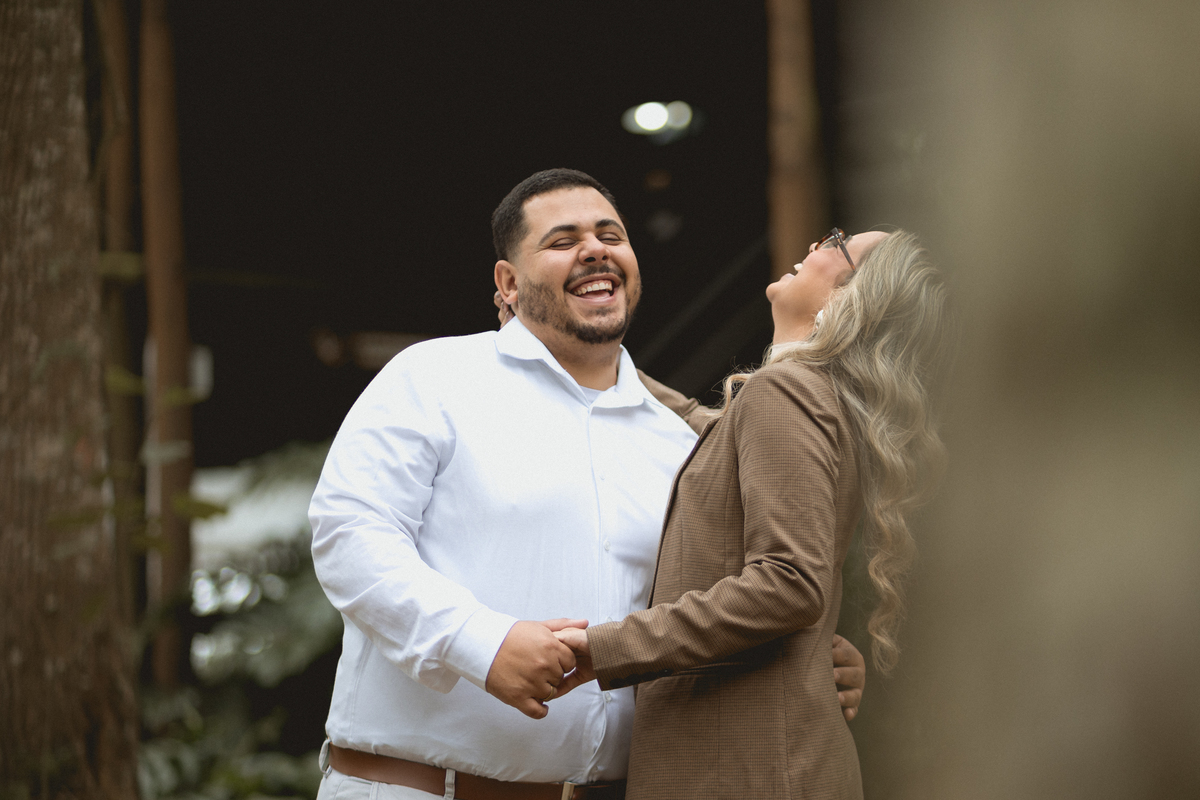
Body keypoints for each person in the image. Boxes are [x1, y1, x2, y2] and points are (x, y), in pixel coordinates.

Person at [309, 169, 866, 800]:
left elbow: (721, 601)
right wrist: (481, 643)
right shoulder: (436, 377)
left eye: (611, 234)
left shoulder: (684, 443)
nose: (595, 248)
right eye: (562, 240)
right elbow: (349, 535)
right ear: (508, 284)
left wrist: (808, 656)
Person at [554, 228, 948, 799]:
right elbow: (697, 423)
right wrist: (571, 345)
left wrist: (601, 649)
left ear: (845, 296)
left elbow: (790, 583)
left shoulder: (788, 391)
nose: (814, 244)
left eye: (834, 243)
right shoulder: (813, 397)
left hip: (750, 772)